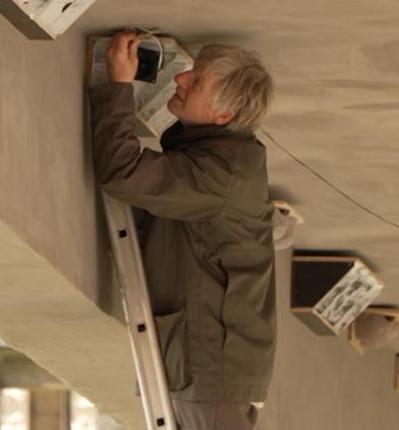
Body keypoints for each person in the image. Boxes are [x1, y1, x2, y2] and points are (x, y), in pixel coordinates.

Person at [89, 30, 276, 430]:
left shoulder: (222, 177)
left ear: (223, 116)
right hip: (207, 371)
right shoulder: (224, 159)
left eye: (197, 81)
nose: (180, 78)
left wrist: (118, 85)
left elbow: (123, 173)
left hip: (207, 370)